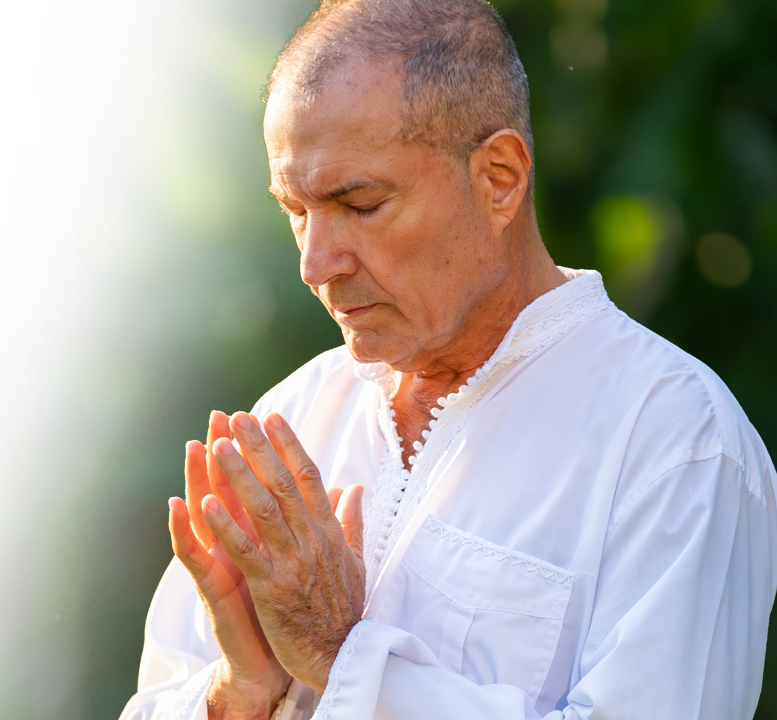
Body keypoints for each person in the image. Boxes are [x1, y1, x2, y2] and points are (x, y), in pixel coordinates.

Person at [119, 1, 777, 718]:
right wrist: (238, 693)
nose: (314, 264)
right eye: (296, 212)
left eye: (359, 204)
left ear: (499, 177)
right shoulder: (291, 422)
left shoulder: (676, 441)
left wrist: (341, 657)